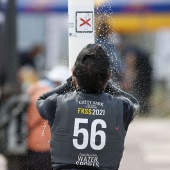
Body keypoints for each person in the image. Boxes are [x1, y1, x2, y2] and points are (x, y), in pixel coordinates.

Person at [36, 44, 139, 170]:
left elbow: (41, 100)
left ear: (73, 72)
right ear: (109, 75)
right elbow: (134, 103)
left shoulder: (57, 104)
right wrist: (109, 86)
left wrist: (68, 83)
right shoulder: (122, 107)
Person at [20, 65, 69, 170]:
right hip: (43, 147)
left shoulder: (33, 90)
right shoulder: (48, 96)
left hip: (29, 145)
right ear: (58, 82)